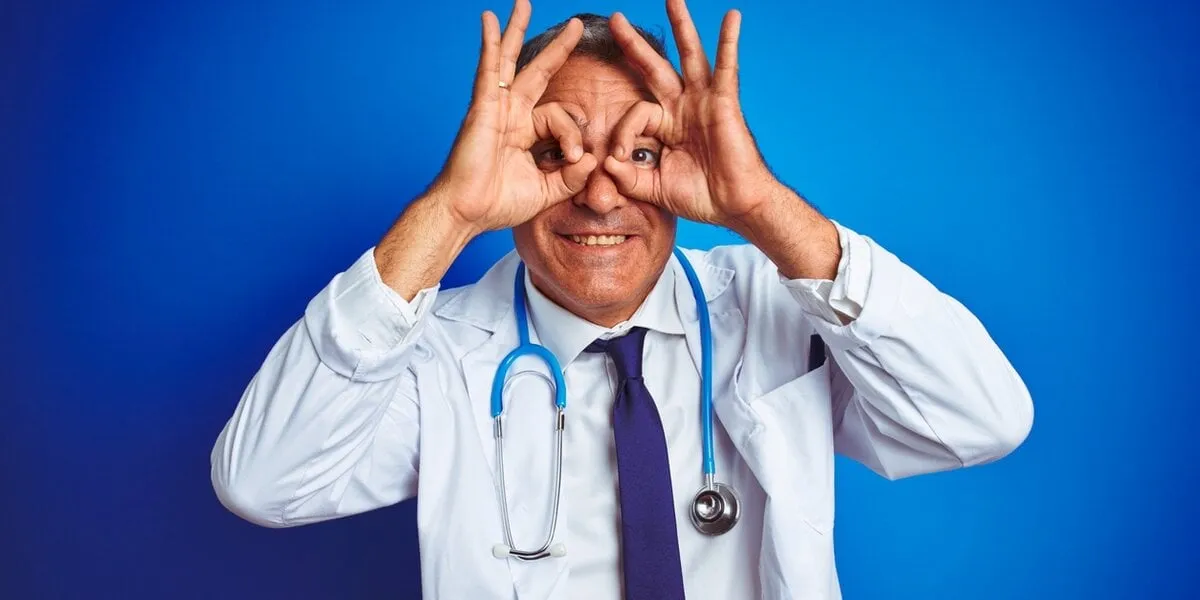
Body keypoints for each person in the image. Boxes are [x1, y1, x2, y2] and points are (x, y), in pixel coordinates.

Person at [210, 0, 1033, 598]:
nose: (600, 196)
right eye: (552, 152)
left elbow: (982, 419)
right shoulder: (437, 355)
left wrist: (761, 208)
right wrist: (448, 214)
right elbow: (262, 483)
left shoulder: (776, 304)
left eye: (641, 151)